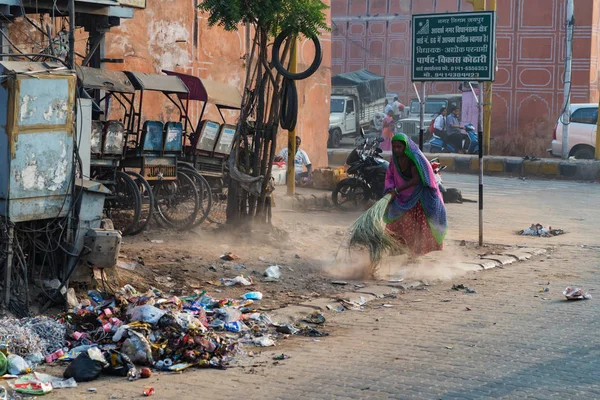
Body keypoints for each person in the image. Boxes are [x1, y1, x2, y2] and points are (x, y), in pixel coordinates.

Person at [383, 134, 447, 256]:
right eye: (394, 147)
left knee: (416, 227)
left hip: (419, 196)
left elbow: (416, 179)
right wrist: (390, 189)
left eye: (399, 147)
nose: (396, 150)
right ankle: (397, 249)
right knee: (396, 223)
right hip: (403, 196)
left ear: (405, 147)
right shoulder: (394, 160)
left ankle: (415, 253)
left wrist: (396, 190)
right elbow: (390, 175)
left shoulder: (413, 159)